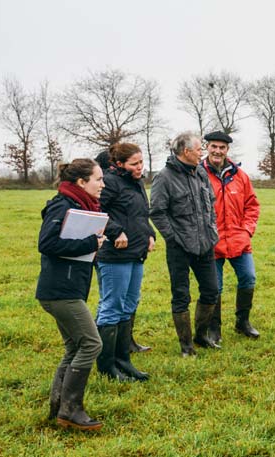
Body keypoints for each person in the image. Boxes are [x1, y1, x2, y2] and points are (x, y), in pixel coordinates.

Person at [37, 159, 107, 430]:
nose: (102, 184)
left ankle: (58, 407)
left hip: (66, 289)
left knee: (74, 347)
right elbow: (47, 243)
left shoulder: (79, 205)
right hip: (60, 291)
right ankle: (71, 410)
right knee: (92, 344)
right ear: (81, 182)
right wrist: (92, 242)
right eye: (98, 179)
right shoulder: (62, 205)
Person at [149, 132, 220, 356]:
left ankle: (201, 335)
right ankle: (186, 346)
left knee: (211, 290)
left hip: (205, 244)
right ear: (186, 151)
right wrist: (174, 238)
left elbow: (211, 202)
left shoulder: (200, 172)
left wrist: (211, 229)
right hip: (180, 248)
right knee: (181, 296)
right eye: (200, 149)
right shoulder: (164, 177)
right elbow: (157, 213)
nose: (203, 153)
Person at [94, 143, 154, 381]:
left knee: (129, 304)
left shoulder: (136, 182)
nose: (140, 167)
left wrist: (150, 234)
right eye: (134, 164)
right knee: (112, 307)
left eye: (141, 162)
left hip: (136, 253)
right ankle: (107, 367)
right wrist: (115, 231)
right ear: (119, 164)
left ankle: (123, 361)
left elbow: (140, 214)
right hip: (114, 255)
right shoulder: (109, 183)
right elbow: (96, 210)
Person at [201, 131, 261, 343]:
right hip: (211, 243)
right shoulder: (198, 174)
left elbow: (252, 206)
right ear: (206, 147)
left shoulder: (240, 176)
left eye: (222, 147)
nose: (217, 151)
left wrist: (246, 231)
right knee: (214, 287)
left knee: (248, 278)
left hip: (239, 240)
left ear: (227, 150)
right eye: (214, 146)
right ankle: (214, 328)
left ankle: (242, 322)